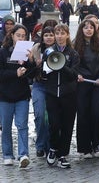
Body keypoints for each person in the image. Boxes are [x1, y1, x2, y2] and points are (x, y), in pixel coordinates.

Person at [44, 24, 80, 169]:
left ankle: (63, 154)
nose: (59, 36)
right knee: (54, 123)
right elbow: (45, 71)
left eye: (62, 33)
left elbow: (73, 74)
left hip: (68, 93)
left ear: (67, 35)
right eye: (56, 33)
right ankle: (53, 148)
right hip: (52, 92)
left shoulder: (73, 54)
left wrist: (61, 64)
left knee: (67, 125)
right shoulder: (48, 51)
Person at [0, 24, 36, 168]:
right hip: (5, 96)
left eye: (23, 36)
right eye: (18, 35)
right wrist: (15, 73)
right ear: (12, 36)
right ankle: (7, 154)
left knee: (22, 125)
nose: (21, 38)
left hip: (22, 95)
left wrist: (31, 61)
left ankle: (23, 154)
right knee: (6, 126)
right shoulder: (3, 52)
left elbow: (33, 75)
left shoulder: (27, 52)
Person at [73, 19, 99, 159]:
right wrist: (77, 74)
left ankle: (96, 143)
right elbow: (73, 64)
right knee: (83, 114)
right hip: (82, 83)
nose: (88, 30)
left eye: (91, 27)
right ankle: (84, 147)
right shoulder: (76, 44)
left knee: (98, 113)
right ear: (81, 29)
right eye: (85, 27)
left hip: (98, 83)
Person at [31, 26, 55, 158]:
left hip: (53, 86)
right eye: (46, 35)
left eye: (51, 35)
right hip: (39, 85)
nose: (49, 37)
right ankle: (40, 145)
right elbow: (28, 70)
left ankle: (50, 145)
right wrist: (35, 64)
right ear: (42, 37)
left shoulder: (58, 49)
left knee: (51, 118)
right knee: (40, 115)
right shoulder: (36, 48)